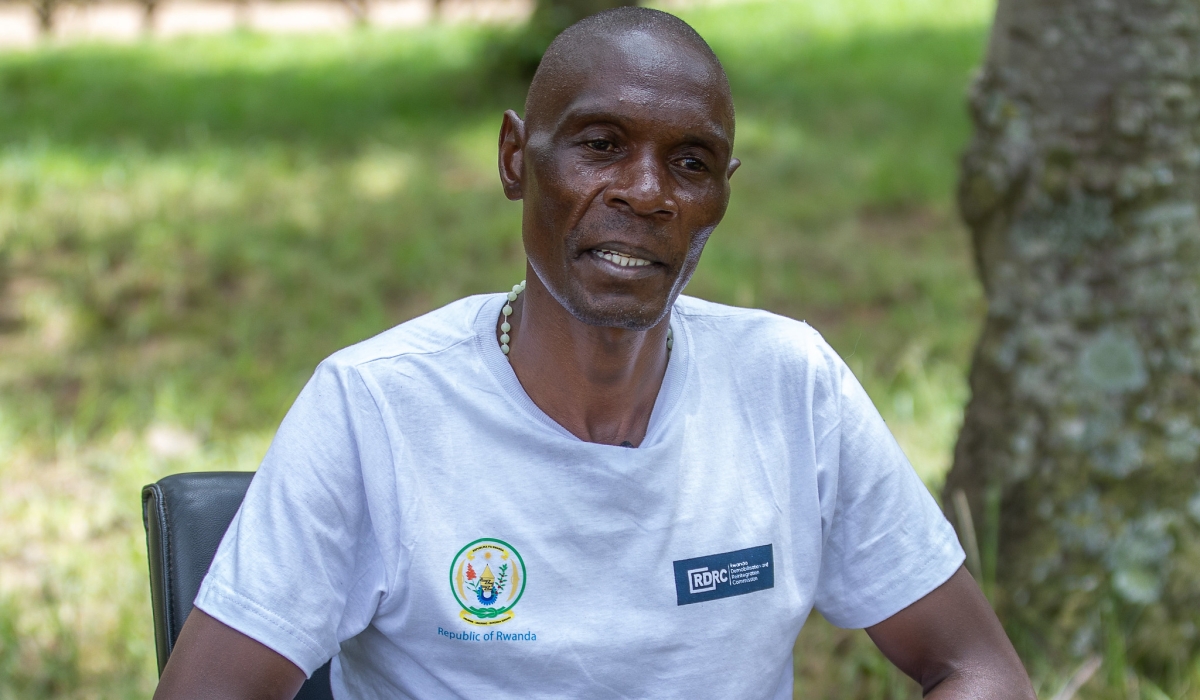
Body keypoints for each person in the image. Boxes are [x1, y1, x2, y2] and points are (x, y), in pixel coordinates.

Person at [155, 8, 1036, 699]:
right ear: (515, 158)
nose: (646, 193)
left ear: (722, 196)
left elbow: (981, 670)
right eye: (600, 145)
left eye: (690, 163)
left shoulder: (789, 387)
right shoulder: (374, 409)